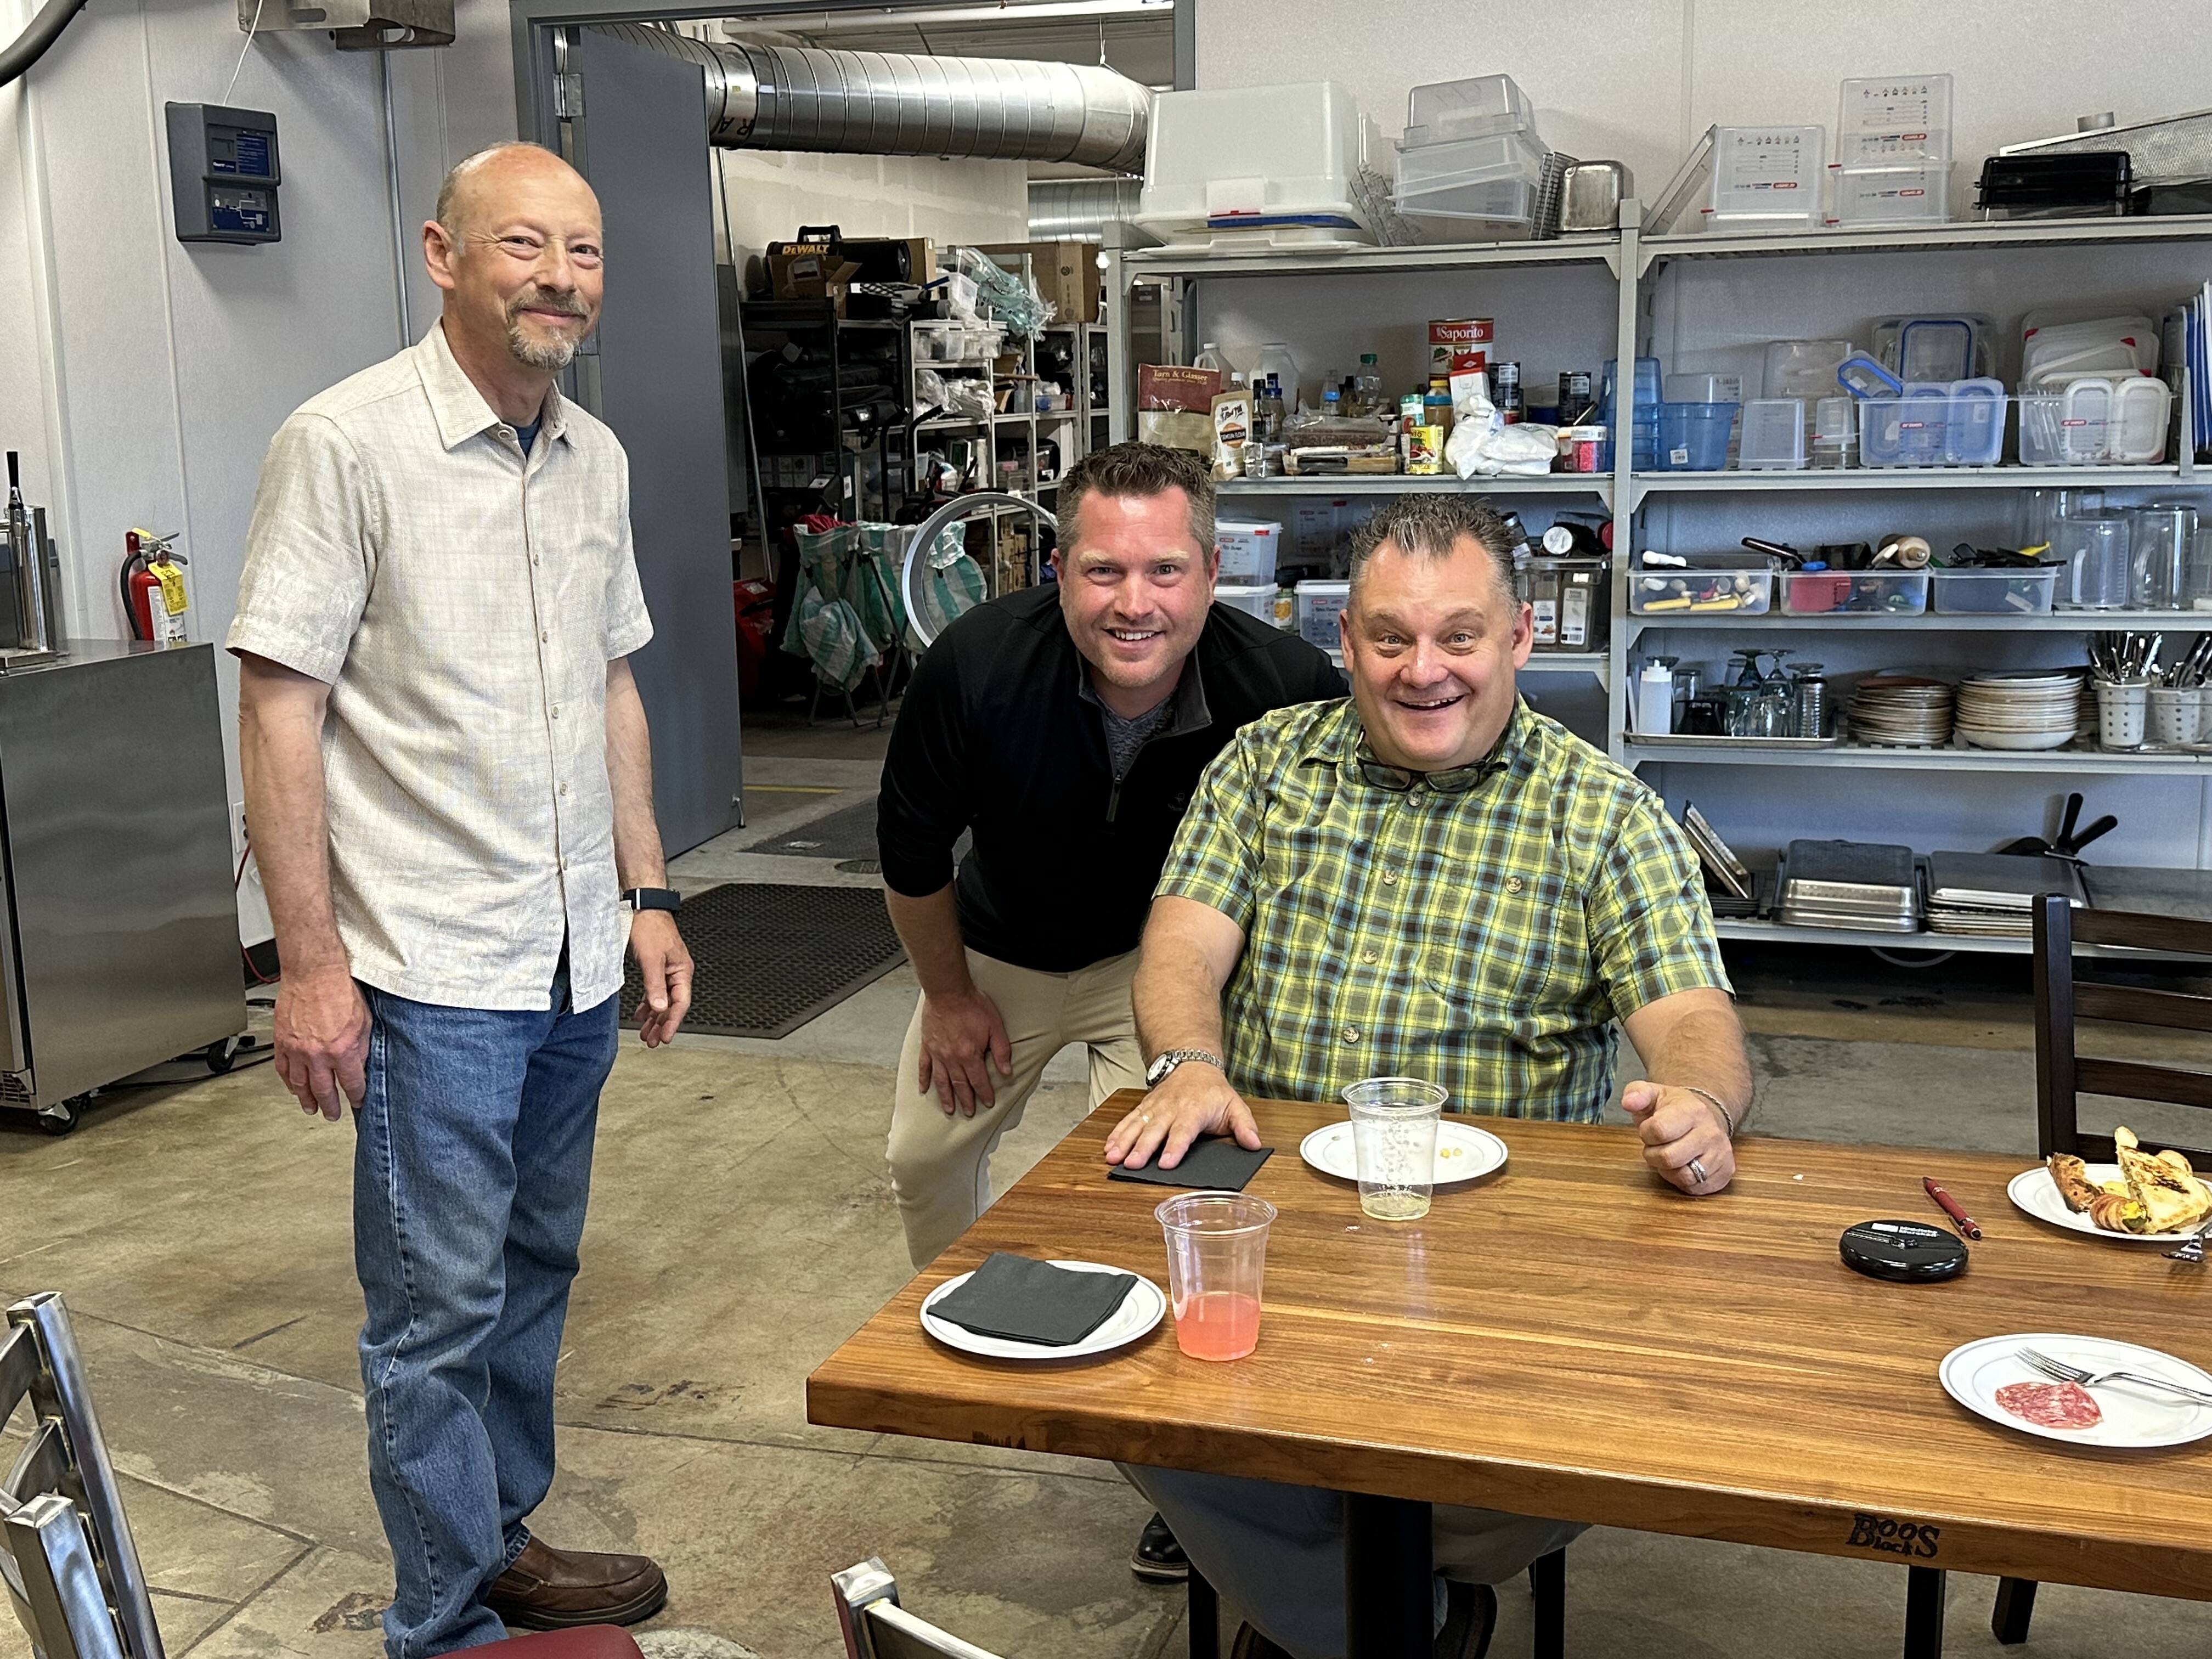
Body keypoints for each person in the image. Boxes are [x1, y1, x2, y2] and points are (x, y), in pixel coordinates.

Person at [1104, 492, 1751, 1659]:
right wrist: (1188, 1063)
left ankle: (1319, 1594)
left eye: (1460, 636)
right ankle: (1390, 1618)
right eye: (1390, 638)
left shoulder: (1604, 815)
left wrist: (1699, 1103)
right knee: (1100, 1374)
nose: (1424, 671)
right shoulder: (1264, 767)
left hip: (1511, 1269)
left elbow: (1695, 1016)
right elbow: (1181, 946)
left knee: (1608, 1428)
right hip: (1280, 1237)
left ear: (1521, 637)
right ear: (1344, 641)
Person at [230, 142, 695, 1659]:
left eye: (585, 250)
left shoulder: (595, 457)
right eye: (524, 245)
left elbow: (610, 685)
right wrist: (311, 965)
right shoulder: (345, 443)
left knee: (535, 1267)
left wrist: (645, 890)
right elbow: (281, 705)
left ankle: (497, 1539)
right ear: (443, 256)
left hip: (570, 960)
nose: (561, 278)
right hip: (429, 965)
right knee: (434, 1313)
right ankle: (438, 1627)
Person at [876, 439, 1342, 1581]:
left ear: (1212, 571)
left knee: (1162, 1200)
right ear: (1058, 569)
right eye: (1104, 571)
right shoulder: (978, 666)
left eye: (1165, 570)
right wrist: (948, 998)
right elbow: (911, 854)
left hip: (1159, 968)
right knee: (924, 1158)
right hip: (998, 953)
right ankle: (981, 1341)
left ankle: (1176, 1466)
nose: (1136, 603)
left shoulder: (1282, 685)